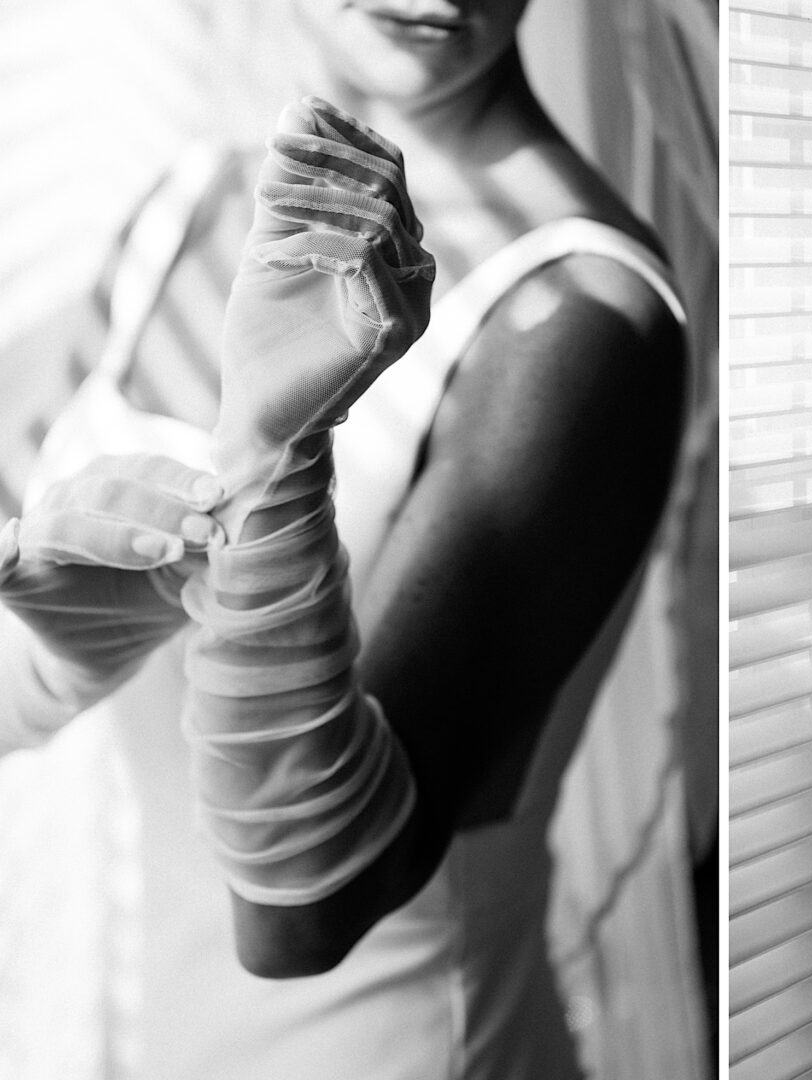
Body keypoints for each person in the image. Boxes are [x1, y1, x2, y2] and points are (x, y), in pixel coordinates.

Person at [0, 3, 708, 1078]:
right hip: (148, 1031)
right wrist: (50, 659)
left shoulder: (581, 317)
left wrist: (275, 454)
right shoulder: (182, 207)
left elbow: (311, 914)